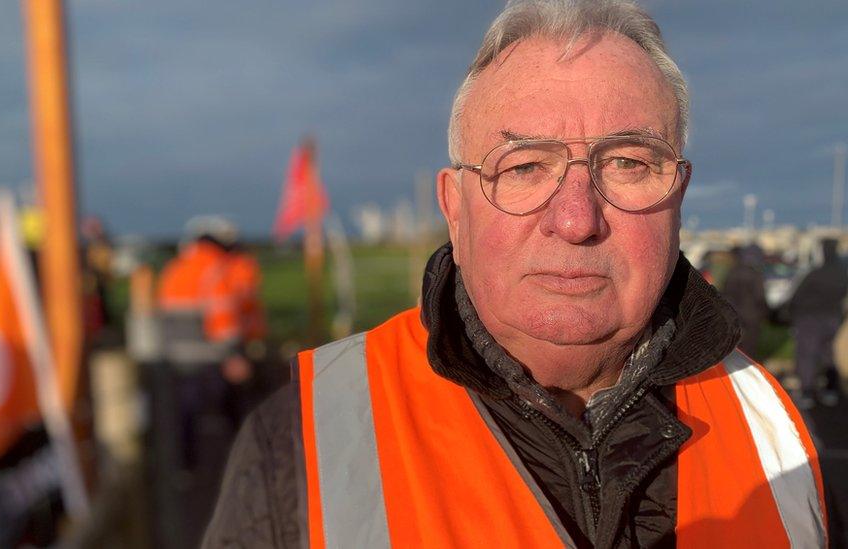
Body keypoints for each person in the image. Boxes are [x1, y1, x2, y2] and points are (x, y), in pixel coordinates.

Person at [204, 1, 827, 547]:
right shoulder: (306, 438)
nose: (577, 219)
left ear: (679, 197)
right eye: (525, 166)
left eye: (630, 162)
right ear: (455, 209)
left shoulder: (769, 419)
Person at [156, 217, 251, 470]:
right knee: (225, 417)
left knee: (186, 417)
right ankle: (234, 468)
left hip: (179, 358)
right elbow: (222, 320)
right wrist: (233, 355)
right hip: (211, 358)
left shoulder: (174, 269)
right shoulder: (214, 269)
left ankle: (185, 469)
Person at [789, 238, 848, 408]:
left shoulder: (814, 273)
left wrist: (790, 313)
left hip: (809, 319)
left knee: (807, 355)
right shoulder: (842, 274)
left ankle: (807, 392)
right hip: (832, 318)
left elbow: (797, 297)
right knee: (828, 354)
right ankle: (830, 390)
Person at [721, 245, 769, 361]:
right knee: (749, 350)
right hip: (752, 317)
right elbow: (760, 298)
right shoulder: (755, 275)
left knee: (735, 349)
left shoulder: (732, 272)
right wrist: (765, 313)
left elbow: (724, 293)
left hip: (734, 314)